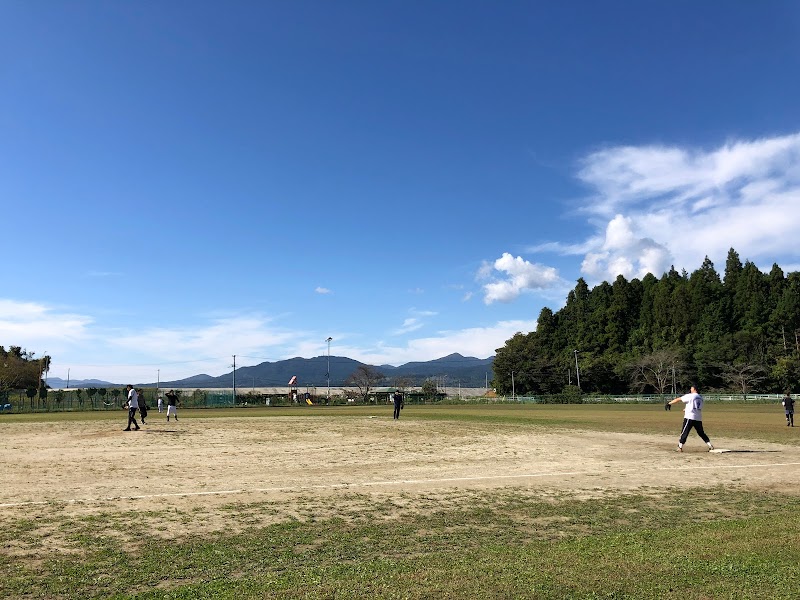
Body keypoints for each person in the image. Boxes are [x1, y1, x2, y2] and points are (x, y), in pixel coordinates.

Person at [667, 384, 713, 452]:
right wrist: (686, 409)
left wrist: (669, 403)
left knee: (684, 432)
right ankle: (710, 445)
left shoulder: (690, 395)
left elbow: (678, 399)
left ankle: (680, 447)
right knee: (701, 433)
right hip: (698, 418)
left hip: (689, 417)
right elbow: (695, 406)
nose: (690, 389)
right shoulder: (700, 397)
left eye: (691, 388)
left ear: (694, 389)